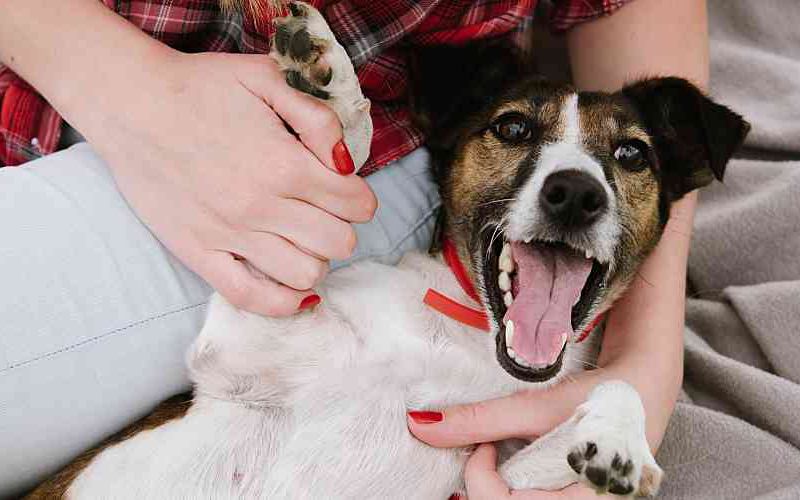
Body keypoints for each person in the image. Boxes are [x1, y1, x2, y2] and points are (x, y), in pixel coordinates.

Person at [0, 0, 708, 497]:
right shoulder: (378, 294)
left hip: (345, 156)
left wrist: (643, 361)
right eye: (520, 134)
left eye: (627, 158)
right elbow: (236, 361)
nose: (575, 187)